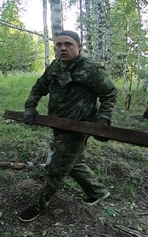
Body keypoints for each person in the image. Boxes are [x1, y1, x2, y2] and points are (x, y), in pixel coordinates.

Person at [18, 30, 118, 222]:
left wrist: (103, 119)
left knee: (57, 168)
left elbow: (109, 93)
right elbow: (40, 86)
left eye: (68, 44)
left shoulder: (91, 69)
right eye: (59, 44)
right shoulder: (55, 67)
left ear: (79, 47)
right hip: (58, 124)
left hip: (79, 128)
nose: (63, 48)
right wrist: (30, 106)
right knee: (74, 162)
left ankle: (39, 205)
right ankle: (98, 192)